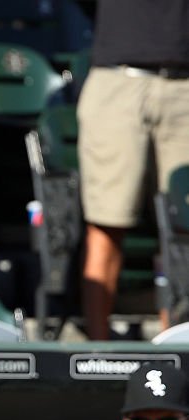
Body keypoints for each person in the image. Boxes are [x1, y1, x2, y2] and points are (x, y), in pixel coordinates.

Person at [78, 1, 189, 340]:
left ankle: (177, 352)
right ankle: (97, 356)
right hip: (119, 76)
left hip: (184, 84)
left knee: (184, 232)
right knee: (107, 225)